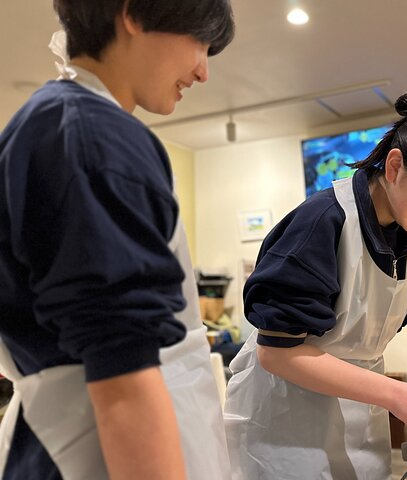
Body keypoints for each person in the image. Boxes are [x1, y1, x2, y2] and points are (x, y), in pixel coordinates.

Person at [0, 1, 234, 478]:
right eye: (200, 41)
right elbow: (123, 377)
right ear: (134, 13)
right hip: (95, 453)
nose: (203, 71)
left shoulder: (61, 124)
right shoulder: (92, 138)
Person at [224, 89, 407, 479]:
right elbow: (277, 353)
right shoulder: (322, 222)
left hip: (359, 414)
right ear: (395, 167)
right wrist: (398, 394)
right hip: (283, 422)